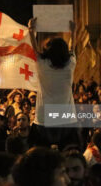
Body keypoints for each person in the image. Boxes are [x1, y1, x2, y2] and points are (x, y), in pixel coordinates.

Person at [27, 18, 80, 148]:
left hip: (43, 118)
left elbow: (35, 49)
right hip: (66, 119)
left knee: (42, 155)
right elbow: (72, 47)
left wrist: (30, 30)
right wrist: (73, 32)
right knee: (67, 153)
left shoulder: (42, 64)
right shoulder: (70, 65)